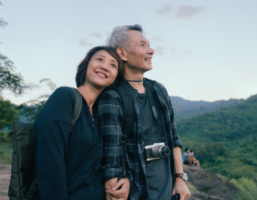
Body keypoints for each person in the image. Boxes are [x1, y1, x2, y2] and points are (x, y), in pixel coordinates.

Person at [98, 24, 191, 200]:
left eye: (149, 44)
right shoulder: (112, 97)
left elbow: (174, 140)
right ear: (122, 53)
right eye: (142, 45)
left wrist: (180, 179)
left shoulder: (158, 90)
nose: (151, 50)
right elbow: (111, 161)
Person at [33, 46, 130, 200]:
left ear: (115, 78)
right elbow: (50, 164)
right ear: (86, 65)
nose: (105, 66)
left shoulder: (100, 115)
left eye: (113, 65)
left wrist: (124, 180)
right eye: (100, 59)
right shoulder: (65, 98)